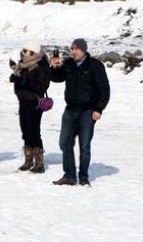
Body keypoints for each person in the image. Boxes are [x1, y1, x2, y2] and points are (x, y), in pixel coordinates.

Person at [49, 38, 110, 187]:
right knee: (64, 143)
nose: (73, 51)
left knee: (84, 146)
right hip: (70, 110)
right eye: (71, 48)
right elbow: (57, 78)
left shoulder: (95, 65)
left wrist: (99, 108)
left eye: (76, 49)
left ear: (83, 50)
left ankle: (83, 177)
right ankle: (69, 175)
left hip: (88, 112)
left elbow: (104, 89)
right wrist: (54, 67)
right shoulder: (69, 64)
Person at [9, 41, 51, 173]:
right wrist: (16, 77)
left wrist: (26, 78)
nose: (25, 54)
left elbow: (41, 87)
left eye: (29, 52)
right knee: (25, 130)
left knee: (33, 131)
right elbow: (19, 81)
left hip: (34, 102)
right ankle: (28, 160)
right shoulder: (22, 66)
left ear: (35, 54)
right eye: (24, 50)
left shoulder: (41, 66)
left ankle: (39, 162)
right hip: (23, 100)